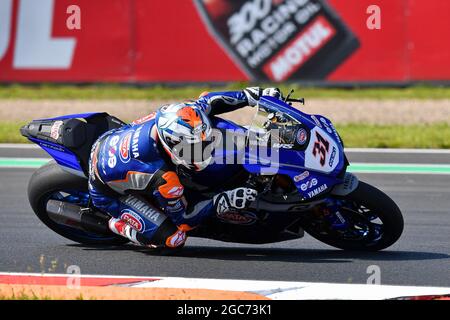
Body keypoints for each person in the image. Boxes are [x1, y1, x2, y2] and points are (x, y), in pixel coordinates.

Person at [88, 87, 283, 250]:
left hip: (113, 139)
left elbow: (209, 100)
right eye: (194, 148)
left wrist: (251, 95)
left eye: (203, 142)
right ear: (171, 144)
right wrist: (224, 199)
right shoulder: (164, 178)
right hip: (106, 190)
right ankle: (115, 224)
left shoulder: (185, 112)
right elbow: (185, 218)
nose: (203, 150)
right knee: (173, 239)